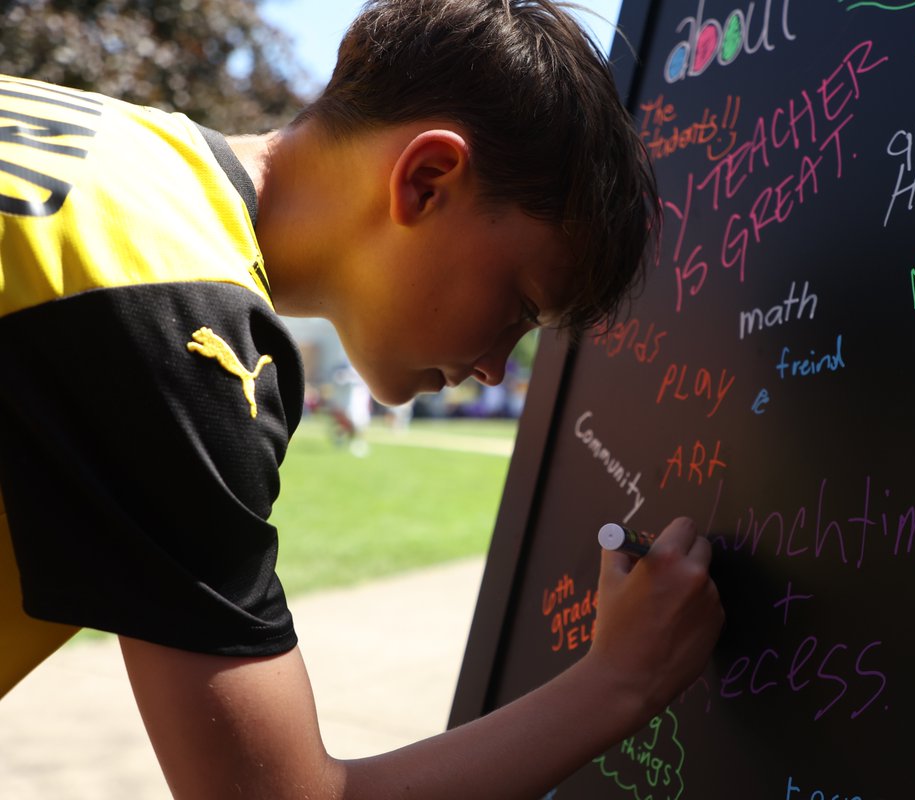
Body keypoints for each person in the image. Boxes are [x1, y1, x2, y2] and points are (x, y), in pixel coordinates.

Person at [0, 1, 725, 798]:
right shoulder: (179, 327)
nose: (494, 366)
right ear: (426, 179)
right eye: (518, 305)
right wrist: (622, 681)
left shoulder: (105, 146)